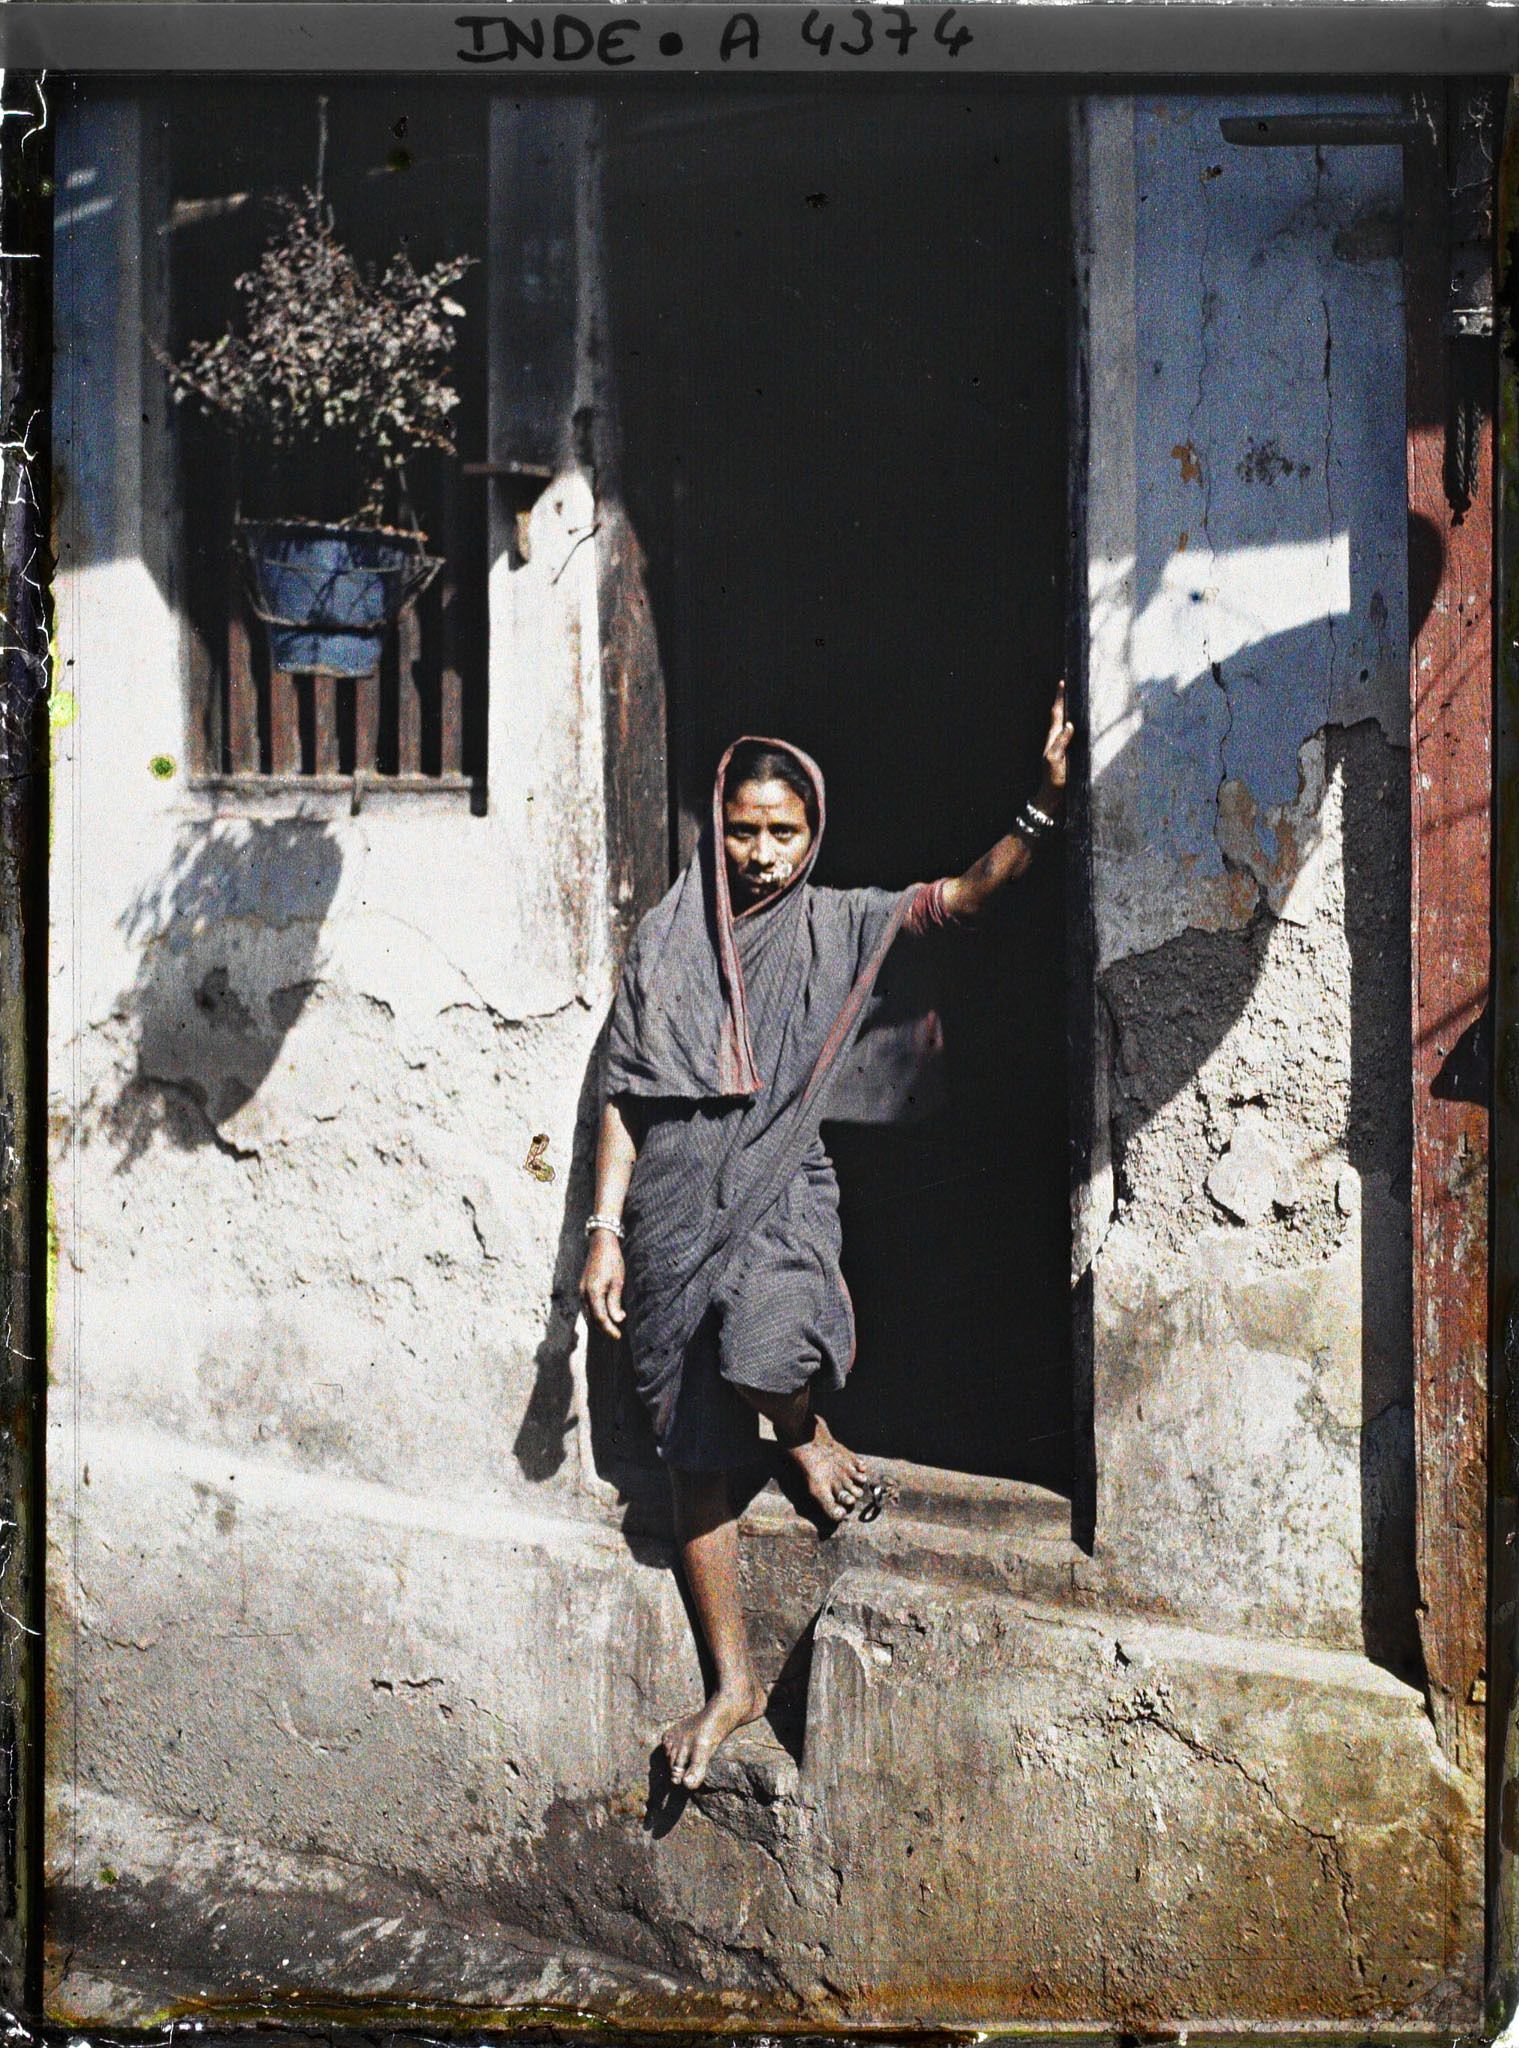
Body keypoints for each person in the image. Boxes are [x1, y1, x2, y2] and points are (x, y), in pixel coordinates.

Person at [580, 687, 1075, 1790]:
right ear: (720, 826)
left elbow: (963, 897)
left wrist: (1039, 805)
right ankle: (732, 1680)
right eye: (744, 831)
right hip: (669, 1203)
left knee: (770, 1342)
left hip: (781, 1179)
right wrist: (605, 1229)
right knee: (693, 1453)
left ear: (815, 831)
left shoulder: (843, 919)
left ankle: (801, 1430)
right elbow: (623, 1093)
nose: (761, 854)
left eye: (784, 831)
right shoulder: (668, 938)